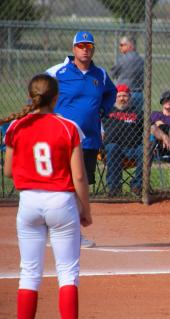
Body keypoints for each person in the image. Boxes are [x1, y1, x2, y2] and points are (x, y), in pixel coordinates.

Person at [2, 74, 92, 319]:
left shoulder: (16, 126)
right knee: (67, 273)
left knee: (29, 273)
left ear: (30, 97)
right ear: (56, 98)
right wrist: (86, 209)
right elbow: (79, 177)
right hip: (61, 202)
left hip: (29, 202)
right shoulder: (68, 126)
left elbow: (8, 171)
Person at [46, 31, 116, 248]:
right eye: (81, 46)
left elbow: (111, 94)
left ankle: (72, 234)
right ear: (74, 48)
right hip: (61, 139)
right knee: (61, 186)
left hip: (88, 141)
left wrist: (103, 109)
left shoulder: (100, 75)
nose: (85, 49)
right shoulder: (58, 71)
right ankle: (54, 230)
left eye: (89, 46)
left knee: (80, 187)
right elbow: (37, 91)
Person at [102, 84, 143, 196]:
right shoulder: (107, 111)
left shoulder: (137, 112)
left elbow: (151, 126)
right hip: (113, 149)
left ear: (130, 97)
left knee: (144, 150)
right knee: (112, 147)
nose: (122, 99)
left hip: (133, 148)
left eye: (125, 96)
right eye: (119, 96)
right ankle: (114, 188)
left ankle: (137, 186)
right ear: (115, 97)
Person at [110, 36, 144, 110]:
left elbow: (112, 73)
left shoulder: (122, 59)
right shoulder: (141, 59)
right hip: (139, 93)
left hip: (124, 95)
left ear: (130, 45)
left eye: (122, 45)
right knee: (137, 118)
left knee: (121, 118)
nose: (120, 47)